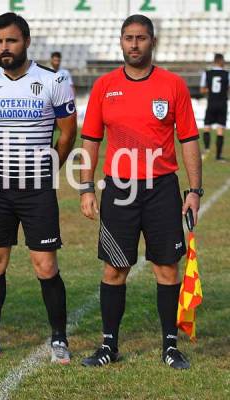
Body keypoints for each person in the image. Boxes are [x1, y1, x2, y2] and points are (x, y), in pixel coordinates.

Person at [79, 14, 202, 370]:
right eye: (128, 38)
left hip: (162, 188)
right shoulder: (105, 86)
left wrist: (194, 190)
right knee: (114, 269)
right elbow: (91, 141)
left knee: (167, 268)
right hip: (120, 189)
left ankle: (170, 346)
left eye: (141, 38)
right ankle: (109, 345)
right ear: (121, 41)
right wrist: (86, 187)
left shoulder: (173, 85)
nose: (134, 44)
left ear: (153, 42)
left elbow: (188, 139)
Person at [0, 13, 77, 365]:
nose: (4, 48)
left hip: (37, 189)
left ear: (26, 41)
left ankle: (59, 339)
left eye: (10, 40)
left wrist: (49, 167)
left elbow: (67, 133)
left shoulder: (53, 80)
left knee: (45, 265)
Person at [200, 53, 229, 161]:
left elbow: (202, 90)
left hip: (211, 103)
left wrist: (210, 90)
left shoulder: (206, 73)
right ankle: (218, 156)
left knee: (207, 126)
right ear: (221, 61)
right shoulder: (227, 74)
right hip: (222, 103)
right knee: (220, 129)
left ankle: (206, 149)